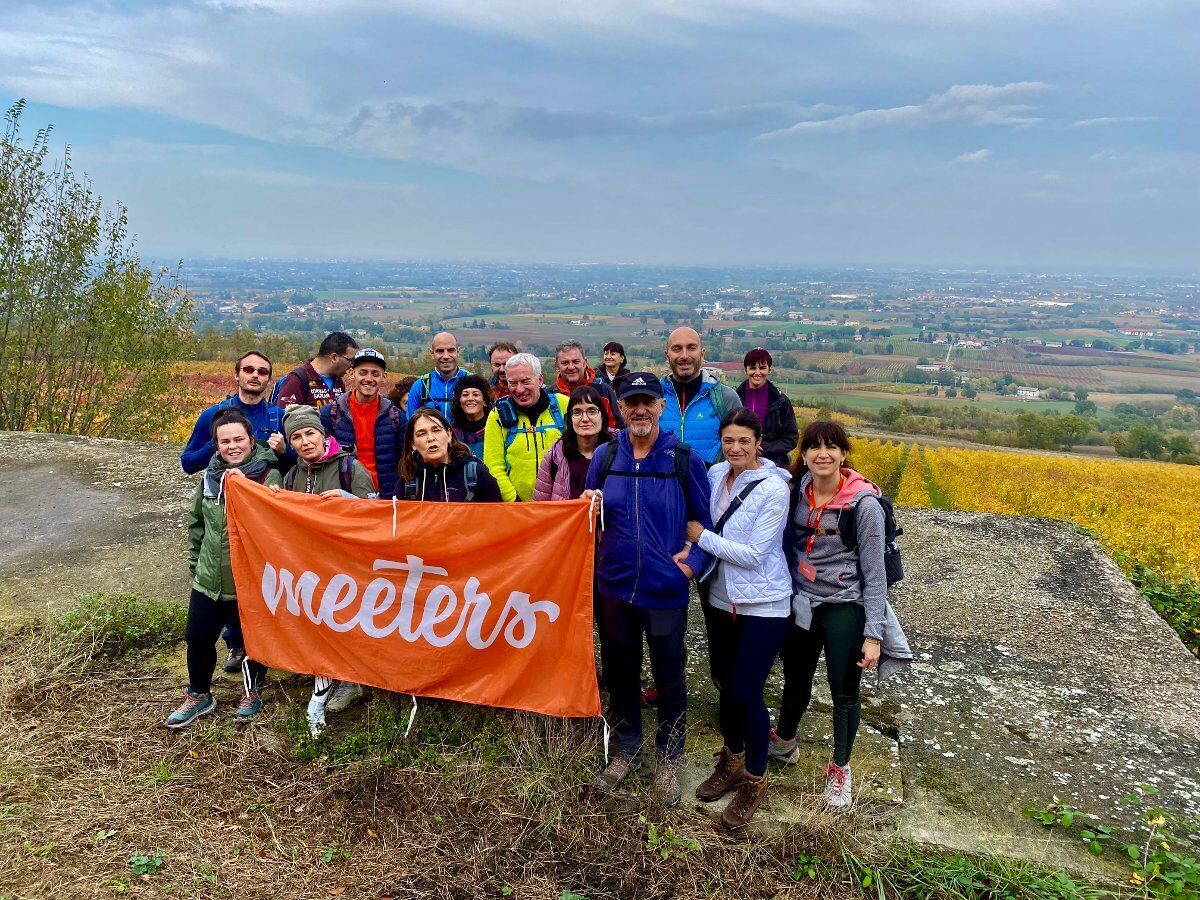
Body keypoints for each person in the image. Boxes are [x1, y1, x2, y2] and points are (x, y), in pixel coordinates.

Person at [582, 372, 713, 807]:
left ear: (661, 407)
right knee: (620, 673)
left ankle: (670, 758)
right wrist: (587, 506)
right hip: (615, 589)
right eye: (631, 401)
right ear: (619, 407)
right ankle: (626, 749)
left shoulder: (683, 459)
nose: (640, 409)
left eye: (648, 402)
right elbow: (589, 517)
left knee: (669, 676)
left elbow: (706, 526)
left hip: (663, 591)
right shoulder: (604, 456)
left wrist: (691, 566)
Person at [773, 420, 911, 809]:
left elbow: (875, 574)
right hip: (803, 600)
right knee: (794, 679)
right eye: (814, 446)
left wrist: (874, 634)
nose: (822, 454)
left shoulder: (863, 506)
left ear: (843, 453)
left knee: (844, 690)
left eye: (831, 447)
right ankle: (784, 741)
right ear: (804, 454)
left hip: (844, 605)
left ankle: (840, 768)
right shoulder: (797, 491)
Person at [684, 409, 792, 828]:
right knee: (725, 686)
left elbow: (754, 555)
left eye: (744, 441)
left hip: (763, 604)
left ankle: (755, 778)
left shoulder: (774, 489)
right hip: (719, 598)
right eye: (729, 441)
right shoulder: (714, 476)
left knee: (747, 690)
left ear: (758, 442)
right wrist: (689, 547)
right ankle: (731, 759)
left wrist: (701, 538)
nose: (736, 448)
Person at [166, 409, 281, 728]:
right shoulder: (209, 478)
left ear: (250, 440)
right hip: (208, 579)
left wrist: (253, 492)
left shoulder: (267, 476)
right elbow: (196, 525)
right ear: (216, 445)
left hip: (247, 580)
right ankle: (199, 694)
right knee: (197, 637)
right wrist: (196, 564)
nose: (232, 446)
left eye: (238, 440)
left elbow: (272, 525)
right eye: (224, 441)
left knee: (251, 641)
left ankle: (252, 690)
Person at [276, 404, 375, 734]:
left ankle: (350, 681)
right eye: (297, 437)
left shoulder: (349, 466)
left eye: (310, 434)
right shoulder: (292, 476)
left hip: (346, 563)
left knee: (347, 621)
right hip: (310, 564)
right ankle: (327, 675)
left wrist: (349, 499)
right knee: (322, 622)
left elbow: (375, 512)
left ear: (323, 435)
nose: (305, 442)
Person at [181, 351, 288, 475]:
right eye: (248, 369)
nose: (255, 375)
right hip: (225, 491)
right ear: (237, 375)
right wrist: (215, 444)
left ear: (269, 379)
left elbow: (303, 466)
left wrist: (285, 451)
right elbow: (188, 465)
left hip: (267, 491)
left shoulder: (281, 417)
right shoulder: (212, 415)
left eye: (262, 372)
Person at [483, 353, 569, 502]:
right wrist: (515, 503)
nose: (520, 389)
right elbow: (494, 467)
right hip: (517, 510)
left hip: (562, 505)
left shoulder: (564, 405)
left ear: (540, 379)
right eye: (513, 383)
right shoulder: (497, 416)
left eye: (525, 381)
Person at [320, 348, 404, 499]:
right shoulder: (330, 414)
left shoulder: (396, 416)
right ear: (352, 374)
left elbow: (405, 460)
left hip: (386, 498)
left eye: (375, 374)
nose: (369, 378)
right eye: (363, 372)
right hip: (343, 497)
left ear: (384, 377)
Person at [659, 327, 742, 465]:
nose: (684, 355)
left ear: (702, 354)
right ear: (667, 356)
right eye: (677, 349)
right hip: (662, 484)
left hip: (710, 484)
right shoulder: (654, 397)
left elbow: (740, 447)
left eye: (691, 348)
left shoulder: (725, 398)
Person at [398, 408, 503, 502]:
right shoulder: (407, 482)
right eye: (421, 434)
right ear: (413, 444)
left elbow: (497, 518)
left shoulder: (477, 474)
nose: (430, 438)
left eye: (436, 430)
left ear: (449, 435)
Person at [533, 385, 611, 502]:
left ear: (602, 416)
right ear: (570, 418)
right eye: (577, 412)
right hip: (566, 520)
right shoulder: (556, 454)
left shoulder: (617, 450)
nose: (585, 418)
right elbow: (540, 506)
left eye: (592, 411)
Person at [736, 348, 798, 468]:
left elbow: (791, 438)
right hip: (739, 462)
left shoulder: (781, 402)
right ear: (745, 370)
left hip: (773, 465)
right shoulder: (734, 399)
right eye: (752, 368)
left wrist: (763, 449)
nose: (757, 372)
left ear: (769, 370)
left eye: (762, 368)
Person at [274, 331, 358, 409]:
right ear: (334, 357)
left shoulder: (338, 382)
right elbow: (284, 419)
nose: (352, 365)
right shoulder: (297, 380)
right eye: (351, 360)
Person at [552, 340, 623, 430]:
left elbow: (618, 430)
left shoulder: (603, 391)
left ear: (585, 363)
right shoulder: (549, 396)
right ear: (557, 366)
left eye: (576, 362)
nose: (571, 367)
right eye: (565, 363)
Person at [406, 331, 469, 418]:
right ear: (432, 354)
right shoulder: (420, 386)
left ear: (458, 352)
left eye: (451, 350)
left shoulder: (472, 382)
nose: (446, 356)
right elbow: (411, 425)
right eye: (440, 351)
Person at [450, 374, 493, 459]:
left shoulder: (495, 429)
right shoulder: (453, 435)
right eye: (465, 395)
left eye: (476, 394)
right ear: (459, 402)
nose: (470, 399)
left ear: (485, 401)